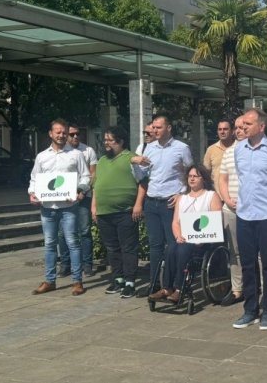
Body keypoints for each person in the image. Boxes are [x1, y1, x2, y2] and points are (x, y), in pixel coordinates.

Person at [232, 108, 267, 331]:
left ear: (261, 126)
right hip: (245, 214)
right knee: (247, 264)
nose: (243, 127)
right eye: (243, 124)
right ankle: (250, 310)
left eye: (248, 124)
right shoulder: (239, 150)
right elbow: (242, 177)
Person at [29, 118, 91, 296]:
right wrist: (32, 193)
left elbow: (86, 177)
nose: (62, 135)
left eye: (64, 132)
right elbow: (34, 178)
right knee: (49, 244)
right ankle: (49, 281)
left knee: (72, 242)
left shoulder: (76, 155)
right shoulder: (42, 156)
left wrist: (81, 190)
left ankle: (77, 281)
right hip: (47, 207)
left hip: (69, 206)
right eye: (58, 132)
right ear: (51, 134)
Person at [132, 114, 193, 291]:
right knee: (155, 245)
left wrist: (182, 193)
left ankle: (174, 284)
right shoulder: (149, 148)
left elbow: (191, 174)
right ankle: (155, 284)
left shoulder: (182, 148)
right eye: (154, 128)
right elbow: (141, 177)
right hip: (152, 202)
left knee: (174, 244)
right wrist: (134, 164)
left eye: (159, 127)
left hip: (170, 203)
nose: (155, 131)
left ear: (168, 128)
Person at [149, 164, 222, 303]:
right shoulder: (182, 199)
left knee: (183, 250)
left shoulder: (211, 196)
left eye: (196, 176)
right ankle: (166, 288)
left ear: (203, 179)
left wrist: (201, 238)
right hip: (184, 239)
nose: (192, 179)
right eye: (190, 176)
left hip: (203, 241)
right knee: (171, 248)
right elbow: (176, 222)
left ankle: (179, 289)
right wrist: (178, 236)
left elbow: (215, 221)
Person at [92, 126, 146, 298]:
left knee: (128, 248)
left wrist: (138, 205)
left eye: (110, 140)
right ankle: (118, 279)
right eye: (105, 140)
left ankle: (130, 282)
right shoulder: (101, 161)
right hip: (104, 213)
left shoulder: (131, 158)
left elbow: (143, 183)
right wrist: (94, 207)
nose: (106, 143)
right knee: (112, 248)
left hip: (125, 213)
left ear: (121, 141)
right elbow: (96, 187)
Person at [57, 123, 98, 278]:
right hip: (64, 199)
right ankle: (65, 265)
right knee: (63, 233)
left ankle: (87, 265)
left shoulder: (88, 151)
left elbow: (93, 174)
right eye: (72, 134)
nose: (75, 137)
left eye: (77, 134)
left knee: (85, 231)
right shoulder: (61, 151)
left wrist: (83, 191)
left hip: (83, 197)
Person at [218, 116, 246, 305]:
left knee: (258, 253)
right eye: (236, 128)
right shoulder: (228, 152)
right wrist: (227, 199)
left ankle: (261, 287)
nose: (238, 131)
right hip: (231, 208)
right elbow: (222, 180)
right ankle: (238, 289)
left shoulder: (261, 151)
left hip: (253, 210)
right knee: (234, 251)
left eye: (242, 127)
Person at [202, 118, 235, 194]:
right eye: (220, 129)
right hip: (217, 196)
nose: (222, 132)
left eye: (225, 129)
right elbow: (205, 174)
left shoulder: (239, 148)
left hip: (236, 196)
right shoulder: (211, 150)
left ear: (232, 131)